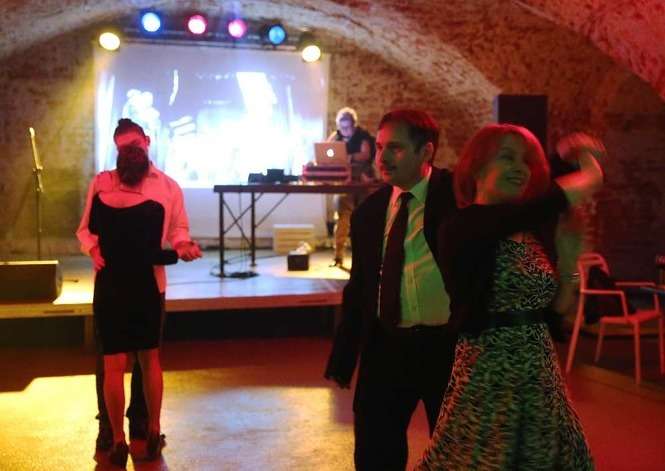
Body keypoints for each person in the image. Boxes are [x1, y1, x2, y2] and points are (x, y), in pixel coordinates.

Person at [415, 125, 604, 470]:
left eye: (525, 161)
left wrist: (569, 263)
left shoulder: (530, 232)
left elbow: (556, 312)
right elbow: (570, 191)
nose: (520, 168)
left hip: (541, 374)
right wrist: (586, 160)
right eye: (507, 157)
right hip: (490, 375)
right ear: (477, 167)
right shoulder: (463, 227)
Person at [325, 109, 458, 470]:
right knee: (375, 451)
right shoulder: (370, 212)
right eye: (381, 147)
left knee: (458, 453)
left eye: (395, 148)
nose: (382, 158)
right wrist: (344, 356)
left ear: (426, 151)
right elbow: (360, 287)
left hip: (448, 348)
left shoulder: (456, 196)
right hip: (387, 345)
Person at [77, 118, 201, 465]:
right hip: (117, 283)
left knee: (144, 361)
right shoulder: (102, 183)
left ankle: (142, 428)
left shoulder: (168, 187)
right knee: (114, 364)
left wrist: (183, 245)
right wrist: (92, 249)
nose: (130, 152)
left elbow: (178, 229)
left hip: (149, 284)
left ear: (147, 141)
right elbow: (85, 231)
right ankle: (110, 430)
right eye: (123, 148)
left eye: (134, 145)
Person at [327, 107, 376, 267]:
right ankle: (338, 256)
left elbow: (365, 155)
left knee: (363, 219)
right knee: (342, 218)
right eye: (342, 127)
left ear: (354, 125)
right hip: (343, 182)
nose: (345, 131)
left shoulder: (363, 136)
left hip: (361, 182)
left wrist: (347, 157)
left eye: (348, 127)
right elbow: (326, 152)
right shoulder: (336, 136)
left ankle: (364, 257)